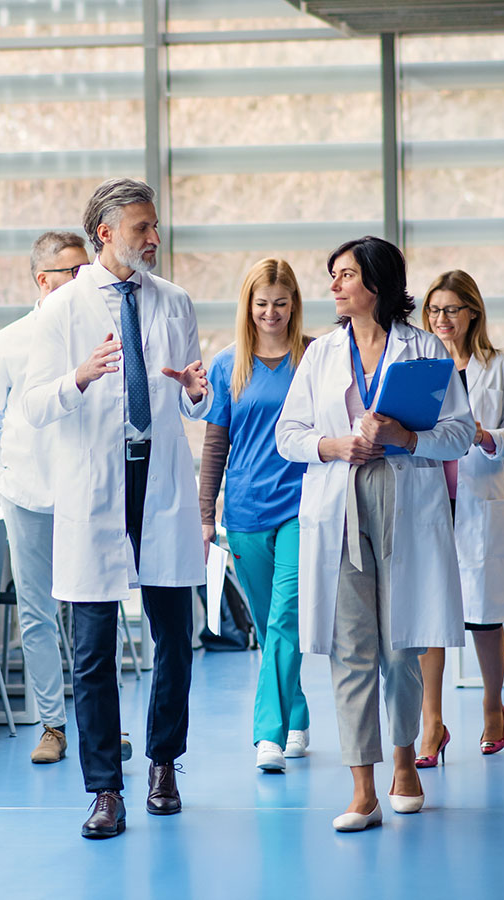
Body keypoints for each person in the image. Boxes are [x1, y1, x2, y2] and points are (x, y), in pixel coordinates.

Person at [20, 178, 213, 839]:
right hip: (94, 491)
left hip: (158, 489)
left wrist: (196, 391)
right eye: (141, 229)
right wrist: (79, 376)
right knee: (93, 653)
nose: (153, 239)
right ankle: (105, 789)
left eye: (155, 228)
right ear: (105, 233)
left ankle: (163, 763)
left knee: (175, 643)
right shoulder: (62, 311)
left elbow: (194, 401)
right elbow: (33, 405)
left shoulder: (174, 302)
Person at [275, 236, 474, 833]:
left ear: (378, 285)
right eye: (332, 275)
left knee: (401, 645)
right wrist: (334, 445)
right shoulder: (319, 355)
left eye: (346, 275)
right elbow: (289, 435)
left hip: (404, 495)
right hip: (340, 499)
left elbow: (460, 434)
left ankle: (404, 761)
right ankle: (362, 789)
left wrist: (406, 439)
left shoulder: (423, 352)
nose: (334, 286)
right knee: (351, 647)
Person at [0, 231, 90, 765]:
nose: (86, 280)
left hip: (85, 493)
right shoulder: (8, 342)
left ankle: (99, 720)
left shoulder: (96, 334)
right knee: (38, 614)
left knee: (92, 611)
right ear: (45, 280)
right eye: (74, 272)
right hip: (27, 495)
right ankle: (52, 726)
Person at [198, 258, 314, 773]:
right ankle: (297, 715)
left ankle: (267, 733)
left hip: (302, 507)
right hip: (244, 512)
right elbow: (215, 443)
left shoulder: (313, 357)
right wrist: (206, 513)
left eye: (281, 303)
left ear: (294, 305)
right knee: (271, 628)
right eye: (261, 303)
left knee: (287, 615)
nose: (271, 313)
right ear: (248, 305)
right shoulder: (228, 365)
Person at [414, 269, 504, 766]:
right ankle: (431, 724)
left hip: (478, 498)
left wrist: (489, 438)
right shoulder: (418, 366)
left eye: (452, 310)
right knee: (430, 618)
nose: (442, 319)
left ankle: (491, 707)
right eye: (434, 310)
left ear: (472, 313)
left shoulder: (499, 367)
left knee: (482, 616)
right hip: (431, 501)